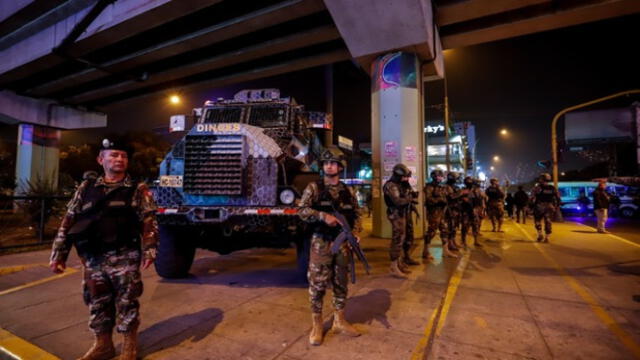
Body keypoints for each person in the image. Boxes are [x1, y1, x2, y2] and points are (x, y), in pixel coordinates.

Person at [49, 138, 158, 360]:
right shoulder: (87, 187)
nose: (119, 159)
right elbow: (69, 220)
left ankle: (129, 347)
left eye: (123, 156)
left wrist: (150, 249)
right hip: (92, 257)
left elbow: (148, 221)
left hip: (124, 254)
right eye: (114, 155)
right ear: (101, 159)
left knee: (127, 300)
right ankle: (103, 345)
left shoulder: (137, 188)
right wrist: (58, 254)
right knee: (96, 300)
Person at [299, 146, 361, 346]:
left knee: (340, 282)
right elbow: (301, 210)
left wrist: (356, 233)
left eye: (333, 163)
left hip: (342, 243)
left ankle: (339, 320)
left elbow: (356, 214)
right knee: (317, 284)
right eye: (326, 163)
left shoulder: (347, 190)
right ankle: (317, 324)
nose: (330, 166)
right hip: (321, 243)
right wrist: (322, 216)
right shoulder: (314, 188)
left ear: (340, 166)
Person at [383, 163, 420, 279]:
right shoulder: (391, 185)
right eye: (404, 177)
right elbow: (398, 201)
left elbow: (405, 197)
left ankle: (399, 263)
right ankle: (393, 267)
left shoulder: (401, 184)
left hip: (403, 213)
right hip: (396, 214)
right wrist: (410, 198)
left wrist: (411, 198)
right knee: (398, 239)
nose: (406, 179)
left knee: (405, 237)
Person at [424, 170, 457, 259]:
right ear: (434, 177)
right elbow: (428, 200)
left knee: (445, 230)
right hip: (434, 213)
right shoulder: (429, 187)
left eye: (441, 176)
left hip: (443, 212)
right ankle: (426, 251)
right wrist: (439, 200)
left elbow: (450, 196)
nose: (440, 178)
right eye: (439, 176)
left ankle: (446, 251)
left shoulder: (442, 187)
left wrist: (458, 194)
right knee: (431, 232)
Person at [531, 173, 560, 242]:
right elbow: (558, 197)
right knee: (548, 221)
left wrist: (530, 207)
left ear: (542, 179)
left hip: (539, 206)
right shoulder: (552, 188)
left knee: (537, 221)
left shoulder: (537, 187)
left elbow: (532, 198)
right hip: (549, 206)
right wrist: (556, 206)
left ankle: (540, 234)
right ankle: (547, 237)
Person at [460, 176, 485, 248]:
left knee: (475, 226)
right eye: (468, 182)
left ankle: (476, 241)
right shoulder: (463, 190)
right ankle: (463, 241)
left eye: (470, 182)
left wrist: (480, 209)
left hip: (474, 210)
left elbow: (480, 199)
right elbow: (459, 199)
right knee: (465, 226)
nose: (469, 184)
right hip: (466, 211)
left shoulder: (476, 191)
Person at [444, 172, 463, 252]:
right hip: (450, 209)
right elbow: (451, 197)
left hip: (456, 209)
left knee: (454, 227)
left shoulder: (454, 187)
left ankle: (453, 241)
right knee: (450, 227)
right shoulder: (446, 187)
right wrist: (461, 193)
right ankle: (450, 243)